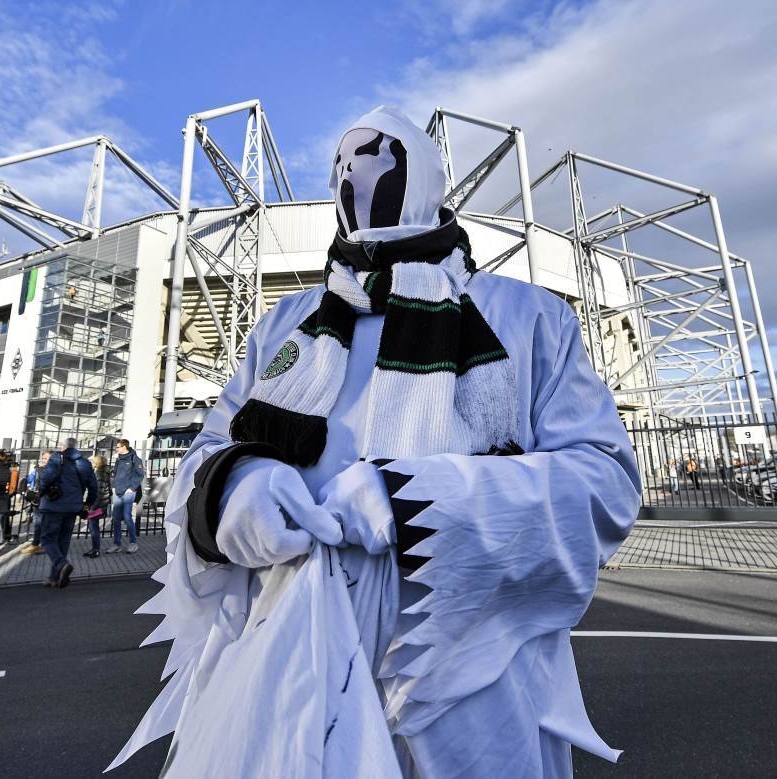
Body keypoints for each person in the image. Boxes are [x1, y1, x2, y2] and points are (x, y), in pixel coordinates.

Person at [111, 106, 641, 778]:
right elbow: (207, 451)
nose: (348, 175)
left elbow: (603, 482)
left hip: (470, 696)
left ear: (419, 175)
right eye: (341, 162)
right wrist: (229, 488)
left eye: (371, 158)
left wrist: (422, 501)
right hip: (284, 672)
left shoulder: (530, 318)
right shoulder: (286, 324)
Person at [37, 437, 97, 588]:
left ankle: (61, 564)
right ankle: (55, 577)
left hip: (54, 506)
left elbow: (46, 478)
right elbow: (93, 487)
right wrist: (86, 504)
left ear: (63, 447)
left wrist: (40, 492)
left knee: (47, 538)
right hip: (73, 507)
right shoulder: (85, 463)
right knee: (63, 541)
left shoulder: (57, 458)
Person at [108, 439, 143, 554]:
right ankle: (117, 544)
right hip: (117, 492)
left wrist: (131, 488)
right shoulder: (119, 459)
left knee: (127, 516)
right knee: (116, 518)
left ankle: (133, 543)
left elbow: (140, 474)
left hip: (128, 493)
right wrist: (113, 486)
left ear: (124, 447)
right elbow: (114, 474)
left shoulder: (134, 459)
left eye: (118, 447)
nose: (116, 449)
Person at [19, 451, 49, 555]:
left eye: (46, 458)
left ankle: (41, 544)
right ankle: (36, 543)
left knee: (44, 523)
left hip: (49, 501)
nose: (44, 460)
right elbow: (29, 479)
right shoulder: (38, 470)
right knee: (38, 523)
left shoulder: (55, 470)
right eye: (43, 458)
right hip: (38, 500)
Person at [85, 453, 112, 558]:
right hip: (102, 504)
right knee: (93, 527)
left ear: (97, 463)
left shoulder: (100, 474)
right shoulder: (104, 473)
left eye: (93, 461)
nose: (92, 463)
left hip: (97, 505)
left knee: (93, 527)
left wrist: (92, 507)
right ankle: (94, 549)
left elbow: (99, 493)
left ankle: (96, 550)